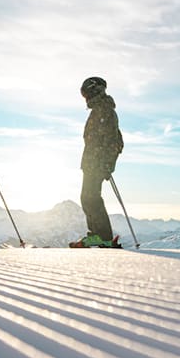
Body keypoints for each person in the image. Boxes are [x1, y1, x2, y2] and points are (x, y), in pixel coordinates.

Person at [73, 76, 124, 248]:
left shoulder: (105, 110)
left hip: (96, 162)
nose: (85, 99)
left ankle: (102, 236)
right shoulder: (101, 110)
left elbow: (113, 140)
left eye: (86, 94)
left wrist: (107, 163)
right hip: (92, 161)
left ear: (94, 91)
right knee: (88, 197)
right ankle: (98, 234)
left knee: (91, 197)